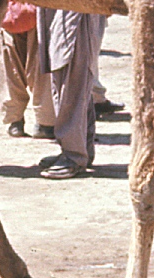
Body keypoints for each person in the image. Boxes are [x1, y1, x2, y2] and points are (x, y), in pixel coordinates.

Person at [35, 9, 105, 179]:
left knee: (71, 71)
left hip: (75, 5)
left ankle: (74, 155)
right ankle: (81, 148)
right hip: (62, 5)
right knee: (71, 76)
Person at [0, 0, 54, 140]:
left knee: (38, 65)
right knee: (13, 65)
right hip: (13, 7)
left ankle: (40, 121)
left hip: (33, 5)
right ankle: (20, 119)